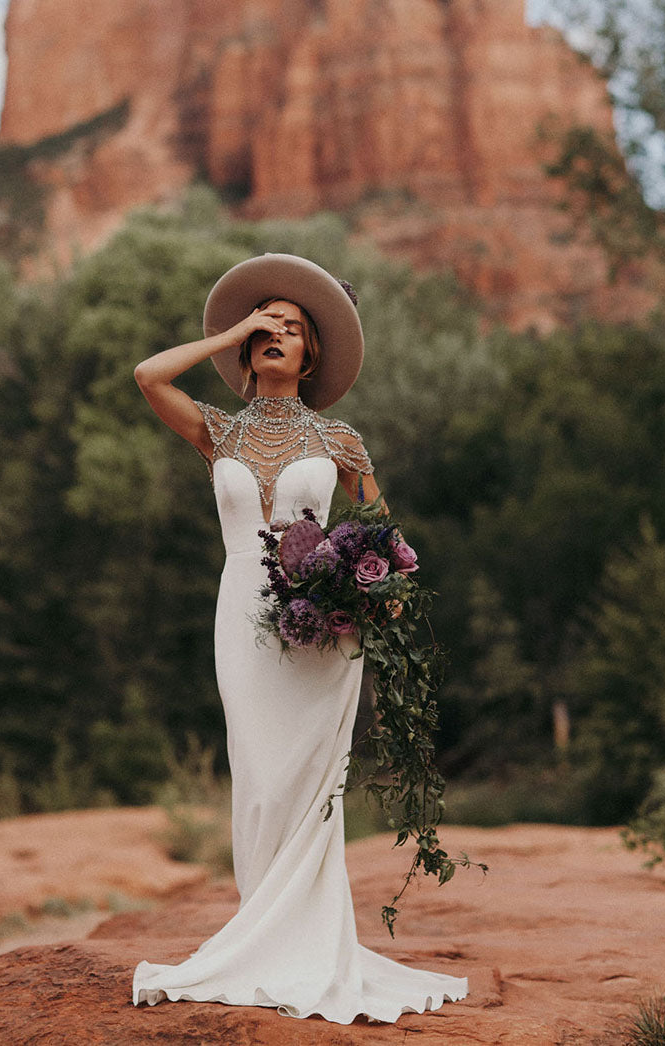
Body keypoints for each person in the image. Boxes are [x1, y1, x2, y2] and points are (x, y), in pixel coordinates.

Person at [131, 253, 467, 1024]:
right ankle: (261, 936)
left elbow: (385, 532)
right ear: (248, 349)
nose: (276, 332)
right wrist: (231, 330)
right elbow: (149, 376)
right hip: (240, 617)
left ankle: (309, 943)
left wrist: (377, 592)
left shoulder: (342, 438)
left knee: (312, 784)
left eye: (291, 327)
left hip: (323, 630)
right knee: (259, 777)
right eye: (265, 325)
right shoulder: (216, 431)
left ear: (312, 354)